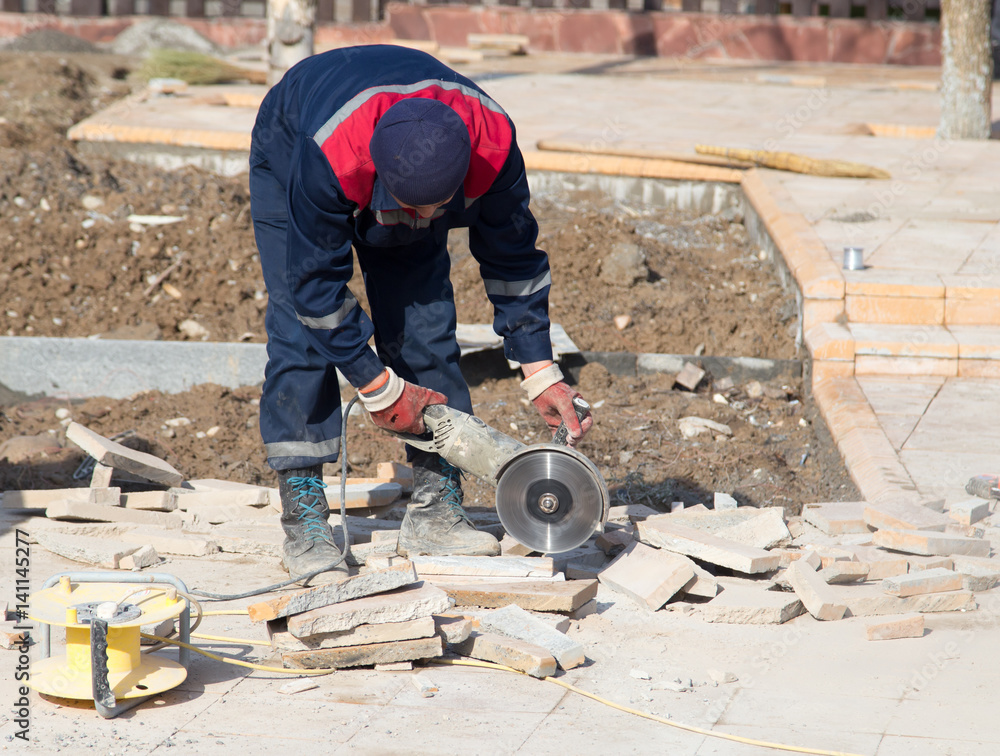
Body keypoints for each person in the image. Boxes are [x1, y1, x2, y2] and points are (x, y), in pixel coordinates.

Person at [248, 45, 594, 582]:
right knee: (300, 332)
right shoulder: (329, 157)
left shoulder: (495, 149)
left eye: (434, 211)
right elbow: (316, 289)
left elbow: (515, 259)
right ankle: (304, 514)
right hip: (294, 136)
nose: (420, 221)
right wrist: (377, 387)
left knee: (424, 324)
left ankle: (436, 505)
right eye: (408, 209)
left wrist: (539, 370)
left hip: (400, 152)